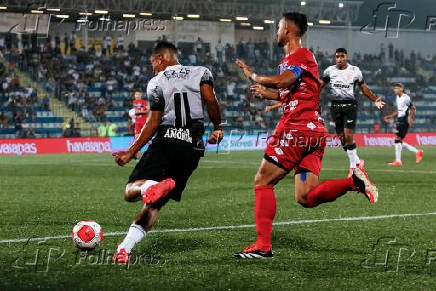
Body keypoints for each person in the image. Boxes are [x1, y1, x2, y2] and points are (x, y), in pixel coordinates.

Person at [233, 12, 379, 259]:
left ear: (288, 29)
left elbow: (283, 81)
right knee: (306, 197)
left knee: (263, 181)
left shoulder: (301, 56)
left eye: (278, 27)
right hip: (313, 131)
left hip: (297, 128)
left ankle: (262, 245)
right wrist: (266, 93)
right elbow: (288, 92)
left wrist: (254, 76)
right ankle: (354, 181)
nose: (276, 32)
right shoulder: (294, 60)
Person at [111, 41, 223, 263]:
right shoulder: (202, 72)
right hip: (192, 146)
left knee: (130, 192)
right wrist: (218, 127)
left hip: (166, 141)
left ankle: (151, 186)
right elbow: (210, 99)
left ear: (160, 58)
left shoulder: (156, 82)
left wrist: (130, 152)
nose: (152, 66)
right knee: (154, 203)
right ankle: (124, 248)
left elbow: (153, 122)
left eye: (153, 61)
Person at [320, 48, 385, 178]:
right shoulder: (329, 71)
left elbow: (364, 88)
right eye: (337, 57)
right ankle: (357, 161)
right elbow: (320, 85)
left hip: (350, 106)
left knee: (348, 135)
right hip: (335, 107)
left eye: (342, 56)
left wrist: (374, 99)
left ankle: (353, 168)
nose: (339, 59)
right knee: (342, 139)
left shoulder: (355, 71)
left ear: (347, 57)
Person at [384, 83, 423, 165]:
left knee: (397, 139)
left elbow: (413, 108)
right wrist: (391, 116)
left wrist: (410, 117)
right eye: (394, 88)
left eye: (397, 88)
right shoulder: (397, 98)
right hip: (400, 119)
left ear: (401, 89)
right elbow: (400, 110)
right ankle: (417, 152)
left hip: (404, 120)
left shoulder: (406, 98)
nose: (395, 90)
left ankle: (398, 160)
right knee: (399, 140)